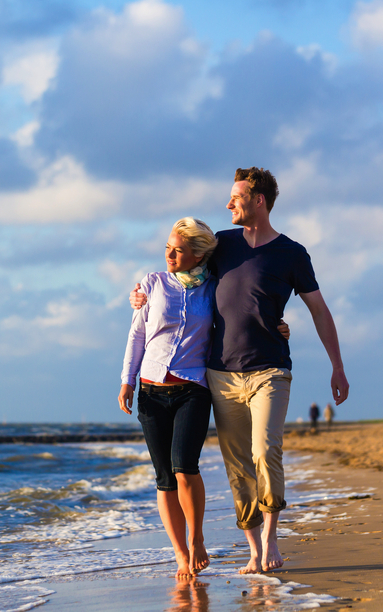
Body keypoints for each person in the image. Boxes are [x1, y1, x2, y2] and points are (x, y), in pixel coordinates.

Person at [130, 167, 349, 575]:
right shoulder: (223, 246)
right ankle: (252, 549)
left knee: (265, 451)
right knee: (237, 465)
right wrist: (141, 293)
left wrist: (337, 365)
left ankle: (271, 538)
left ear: (258, 200)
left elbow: (319, 310)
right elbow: (181, 272)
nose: (228, 203)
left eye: (236, 196)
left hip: (270, 369)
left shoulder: (292, 253)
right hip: (220, 373)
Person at [118, 217, 290, 579]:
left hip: (193, 388)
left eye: (178, 250)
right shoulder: (153, 284)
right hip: (150, 389)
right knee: (164, 477)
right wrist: (127, 380)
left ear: (198, 254)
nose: (169, 254)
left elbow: (240, 317)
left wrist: (278, 325)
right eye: (167, 247)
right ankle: (180, 554)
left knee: (185, 468)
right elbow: (137, 335)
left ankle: (196, 539)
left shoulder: (213, 288)